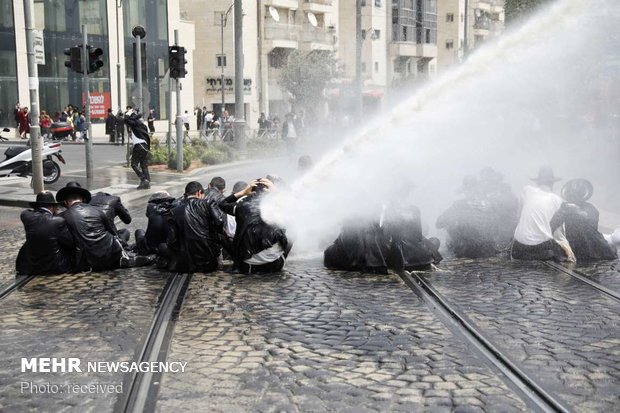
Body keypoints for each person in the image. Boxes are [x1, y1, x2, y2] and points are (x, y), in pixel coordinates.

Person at [57, 182, 151, 271]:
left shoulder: (62, 217)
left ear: (65, 202)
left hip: (85, 261)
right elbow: (113, 233)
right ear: (83, 199)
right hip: (108, 255)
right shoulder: (97, 211)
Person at [219, 178, 291, 274]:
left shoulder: (242, 206)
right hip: (275, 264)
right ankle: (282, 257)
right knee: (293, 232)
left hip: (249, 265)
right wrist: (277, 192)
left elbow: (222, 204)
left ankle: (237, 264)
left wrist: (243, 192)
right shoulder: (278, 206)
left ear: (251, 191)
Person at [512, 166, 575, 262]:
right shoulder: (557, 200)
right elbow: (559, 234)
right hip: (540, 248)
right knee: (561, 251)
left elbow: (519, 215)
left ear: (538, 182)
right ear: (552, 183)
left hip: (518, 248)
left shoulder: (527, 190)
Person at [550, 179, 617, 262]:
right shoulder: (591, 208)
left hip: (578, 249)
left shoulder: (566, 208)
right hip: (593, 247)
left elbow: (552, 225)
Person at [166, 181, 226, 272]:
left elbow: (171, 240)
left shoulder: (174, 211)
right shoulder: (208, 203)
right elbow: (220, 223)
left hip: (185, 263)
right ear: (199, 193)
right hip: (208, 260)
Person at [436, 176, 498, 258]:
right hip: (489, 249)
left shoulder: (459, 205)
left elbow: (439, 223)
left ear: (465, 191)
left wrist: (453, 223)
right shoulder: (490, 204)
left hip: (467, 250)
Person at [16, 192, 75, 275]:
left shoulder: (26, 217)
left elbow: (27, 211)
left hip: (32, 266)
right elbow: (70, 243)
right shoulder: (58, 221)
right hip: (54, 266)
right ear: (53, 207)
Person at [124, 111, 151, 189]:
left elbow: (126, 120)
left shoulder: (135, 124)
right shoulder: (143, 125)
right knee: (144, 165)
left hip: (139, 146)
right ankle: (147, 182)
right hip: (145, 146)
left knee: (134, 164)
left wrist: (128, 114)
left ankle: (143, 179)